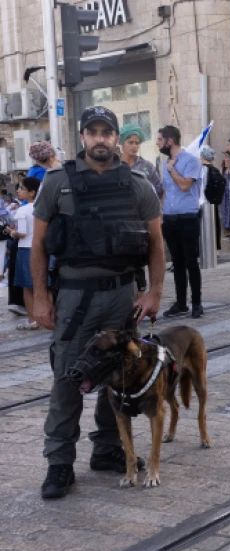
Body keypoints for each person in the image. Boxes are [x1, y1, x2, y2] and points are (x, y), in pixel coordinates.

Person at [34, 106, 165, 499]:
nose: (100, 139)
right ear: (83, 137)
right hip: (74, 298)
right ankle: (59, 464)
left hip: (123, 295)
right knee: (68, 378)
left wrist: (154, 291)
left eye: (106, 132)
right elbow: (38, 246)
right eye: (92, 132)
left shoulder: (138, 183)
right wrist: (40, 296)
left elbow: (157, 244)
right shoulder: (58, 182)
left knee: (122, 376)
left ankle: (109, 448)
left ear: (115, 137)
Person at [157, 125, 204, 319]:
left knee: (191, 261)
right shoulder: (164, 163)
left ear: (170, 141)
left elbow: (185, 185)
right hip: (170, 218)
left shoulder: (191, 161)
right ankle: (181, 302)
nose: (158, 144)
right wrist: (160, 214)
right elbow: (165, 191)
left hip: (188, 218)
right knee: (177, 262)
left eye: (160, 140)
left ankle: (196, 303)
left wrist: (171, 169)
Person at [5, 177, 40, 330]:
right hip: (41, 249)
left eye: (21, 188)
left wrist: (11, 233)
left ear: (31, 192)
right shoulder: (42, 207)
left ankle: (32, 320)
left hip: (26, 249)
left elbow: (22, 233)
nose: (18, 191)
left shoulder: (22, 210)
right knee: (43, 286)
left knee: (27, 287)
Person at [119, 124, 163, 200]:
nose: (134, 146)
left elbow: (158, 189)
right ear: (122, 143)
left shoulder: (147, 166)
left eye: (137, 143)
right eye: (130, 142)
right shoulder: (115, 165)